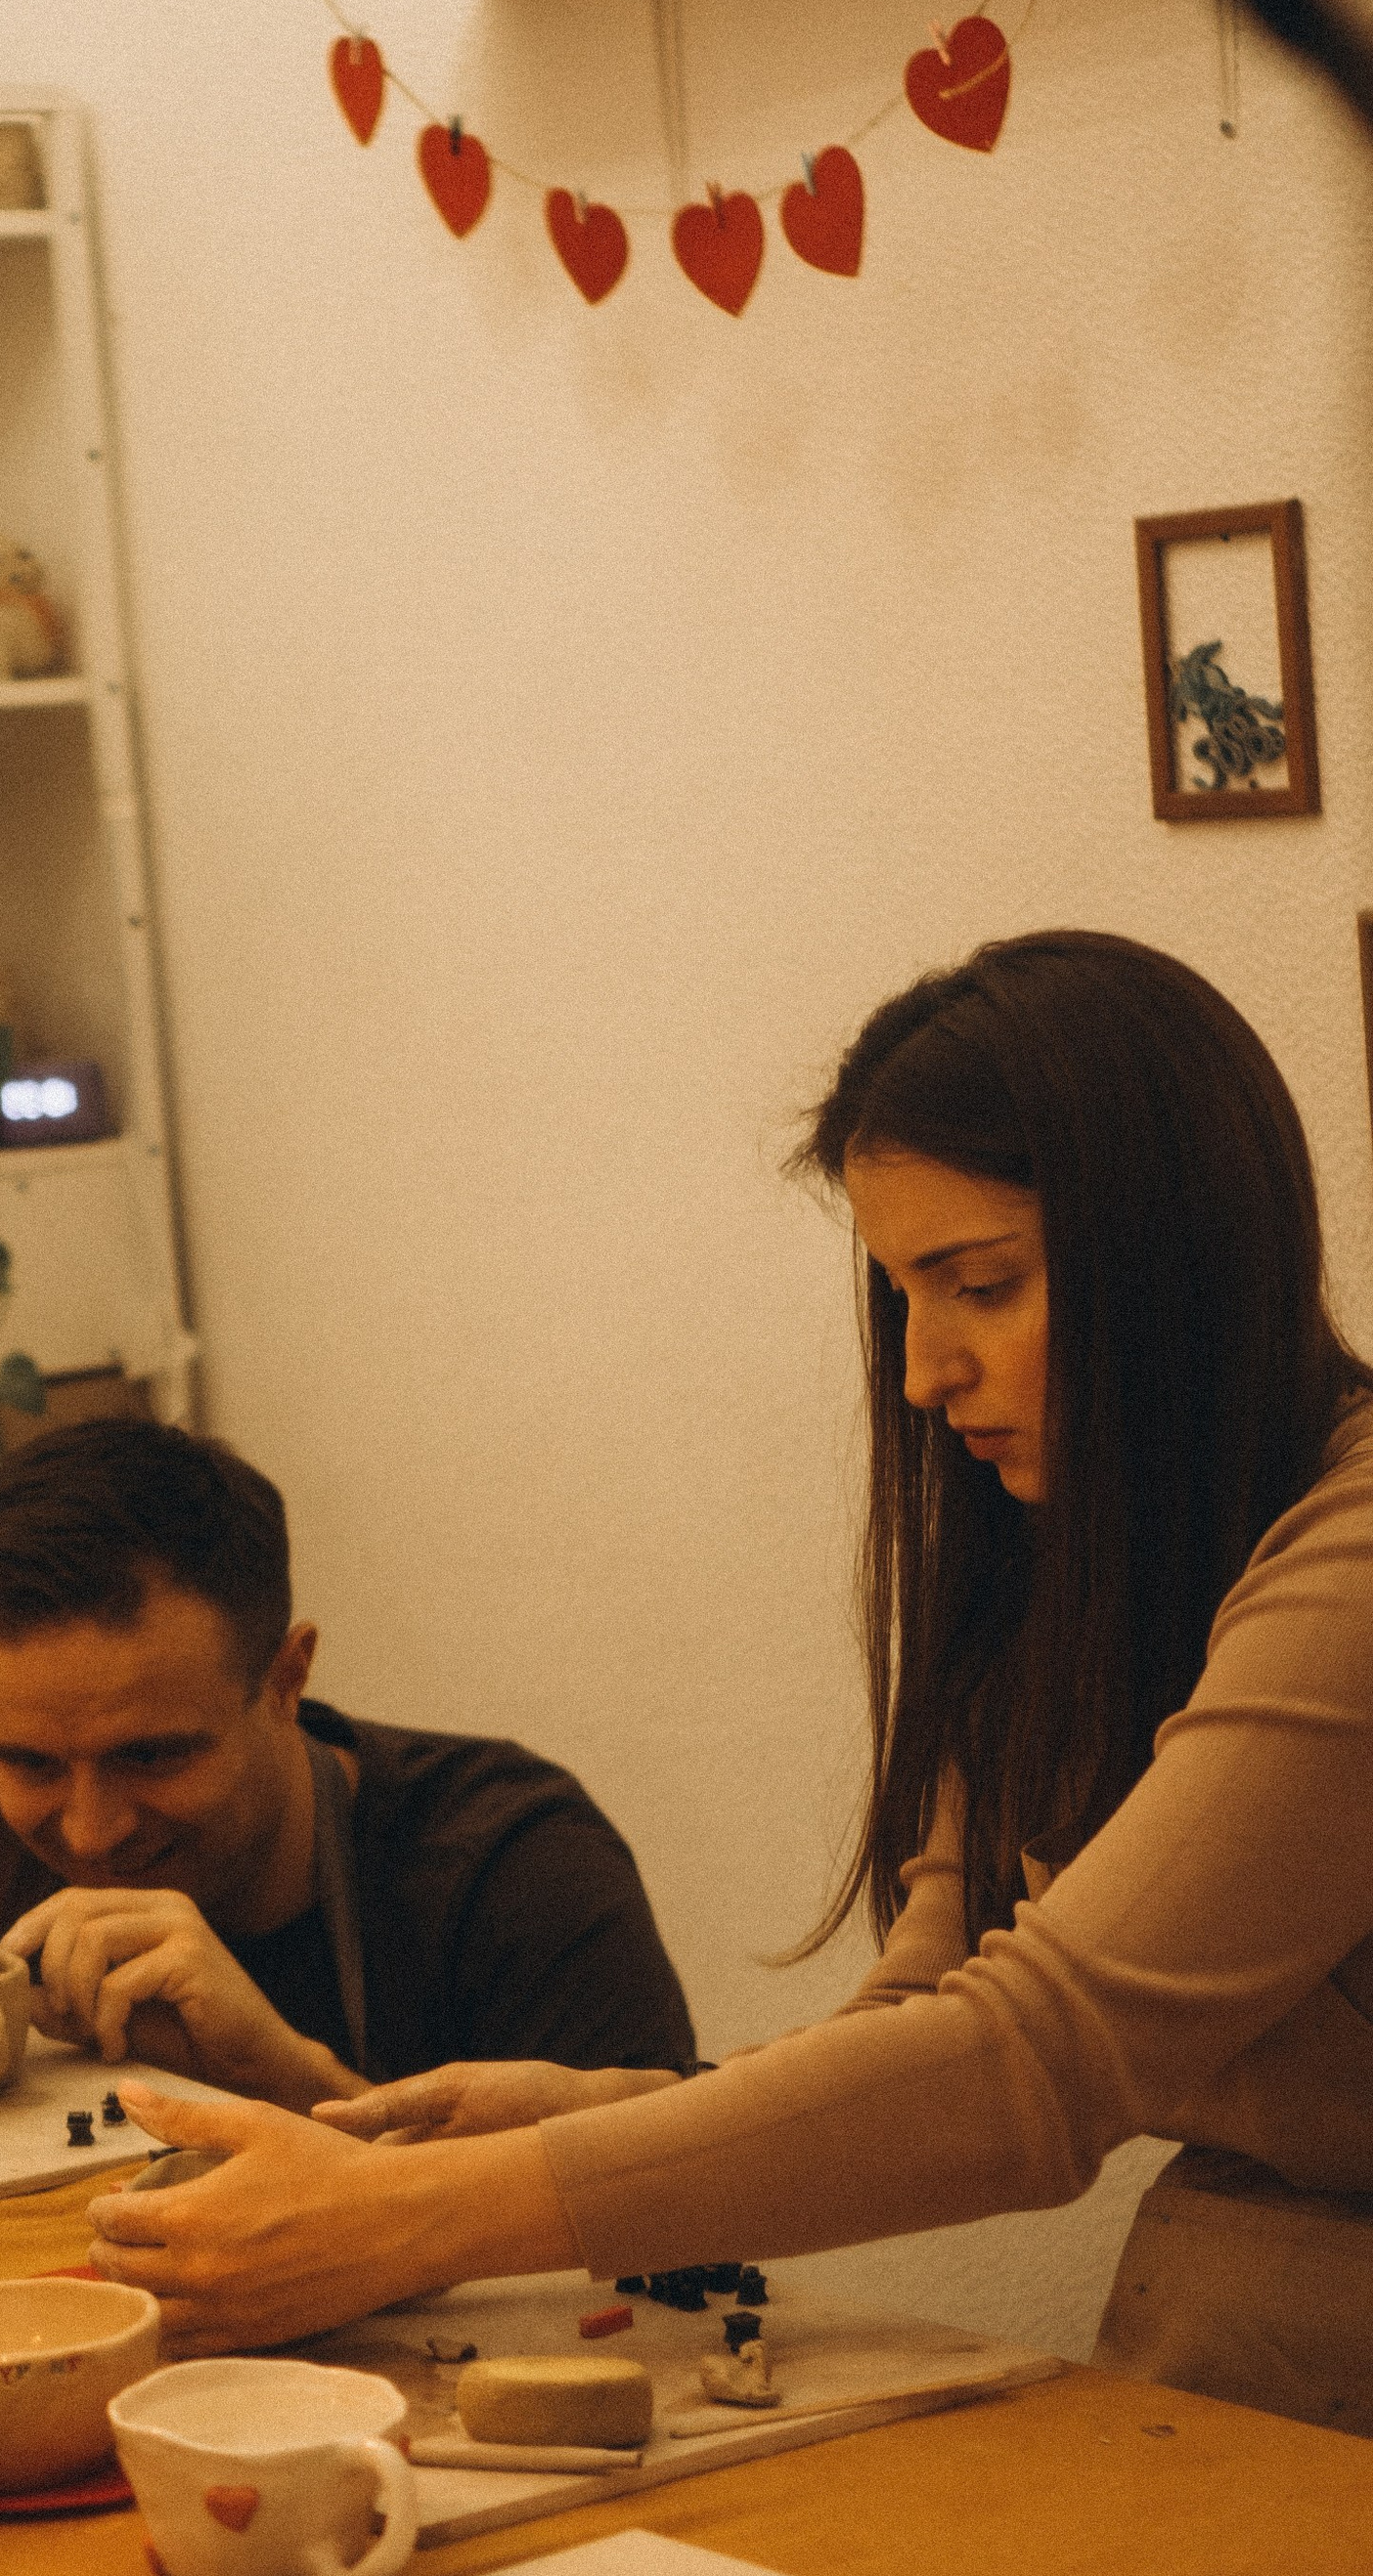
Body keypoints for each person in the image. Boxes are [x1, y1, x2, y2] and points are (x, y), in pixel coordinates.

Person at [87, 934, 1373, 2439]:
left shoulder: (1346, 1565)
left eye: (980, 1286)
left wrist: (431, 2212)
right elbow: (931, 2013)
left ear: (1175, 1261)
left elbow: (1034, 2061)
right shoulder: (1070, 1557)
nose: (923, 1372)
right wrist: (591, 2115)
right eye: (903, 1295)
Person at [0, 1419, 696, 2103]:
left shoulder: (509, 1862)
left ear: (284, 1678)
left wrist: (286, 2077)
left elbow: (686, 2243)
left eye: (153, 1756)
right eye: (32, 1760)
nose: (91, 1829)